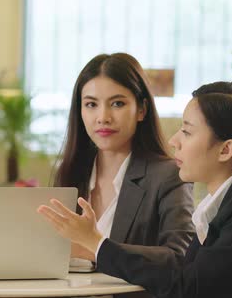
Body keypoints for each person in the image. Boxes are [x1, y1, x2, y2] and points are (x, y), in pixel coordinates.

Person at [40, 81, 232, 298]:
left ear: (225, 150)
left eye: (187, 132)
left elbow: (190, 286)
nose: (173, 140)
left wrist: (97, 244)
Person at [53, 53, 194, 274]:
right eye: (91, 104)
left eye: (117, 103)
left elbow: (179, 259)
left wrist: (96, 247)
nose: (103, 117)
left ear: (141, 109)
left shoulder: (167, 176)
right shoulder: (71, 173)